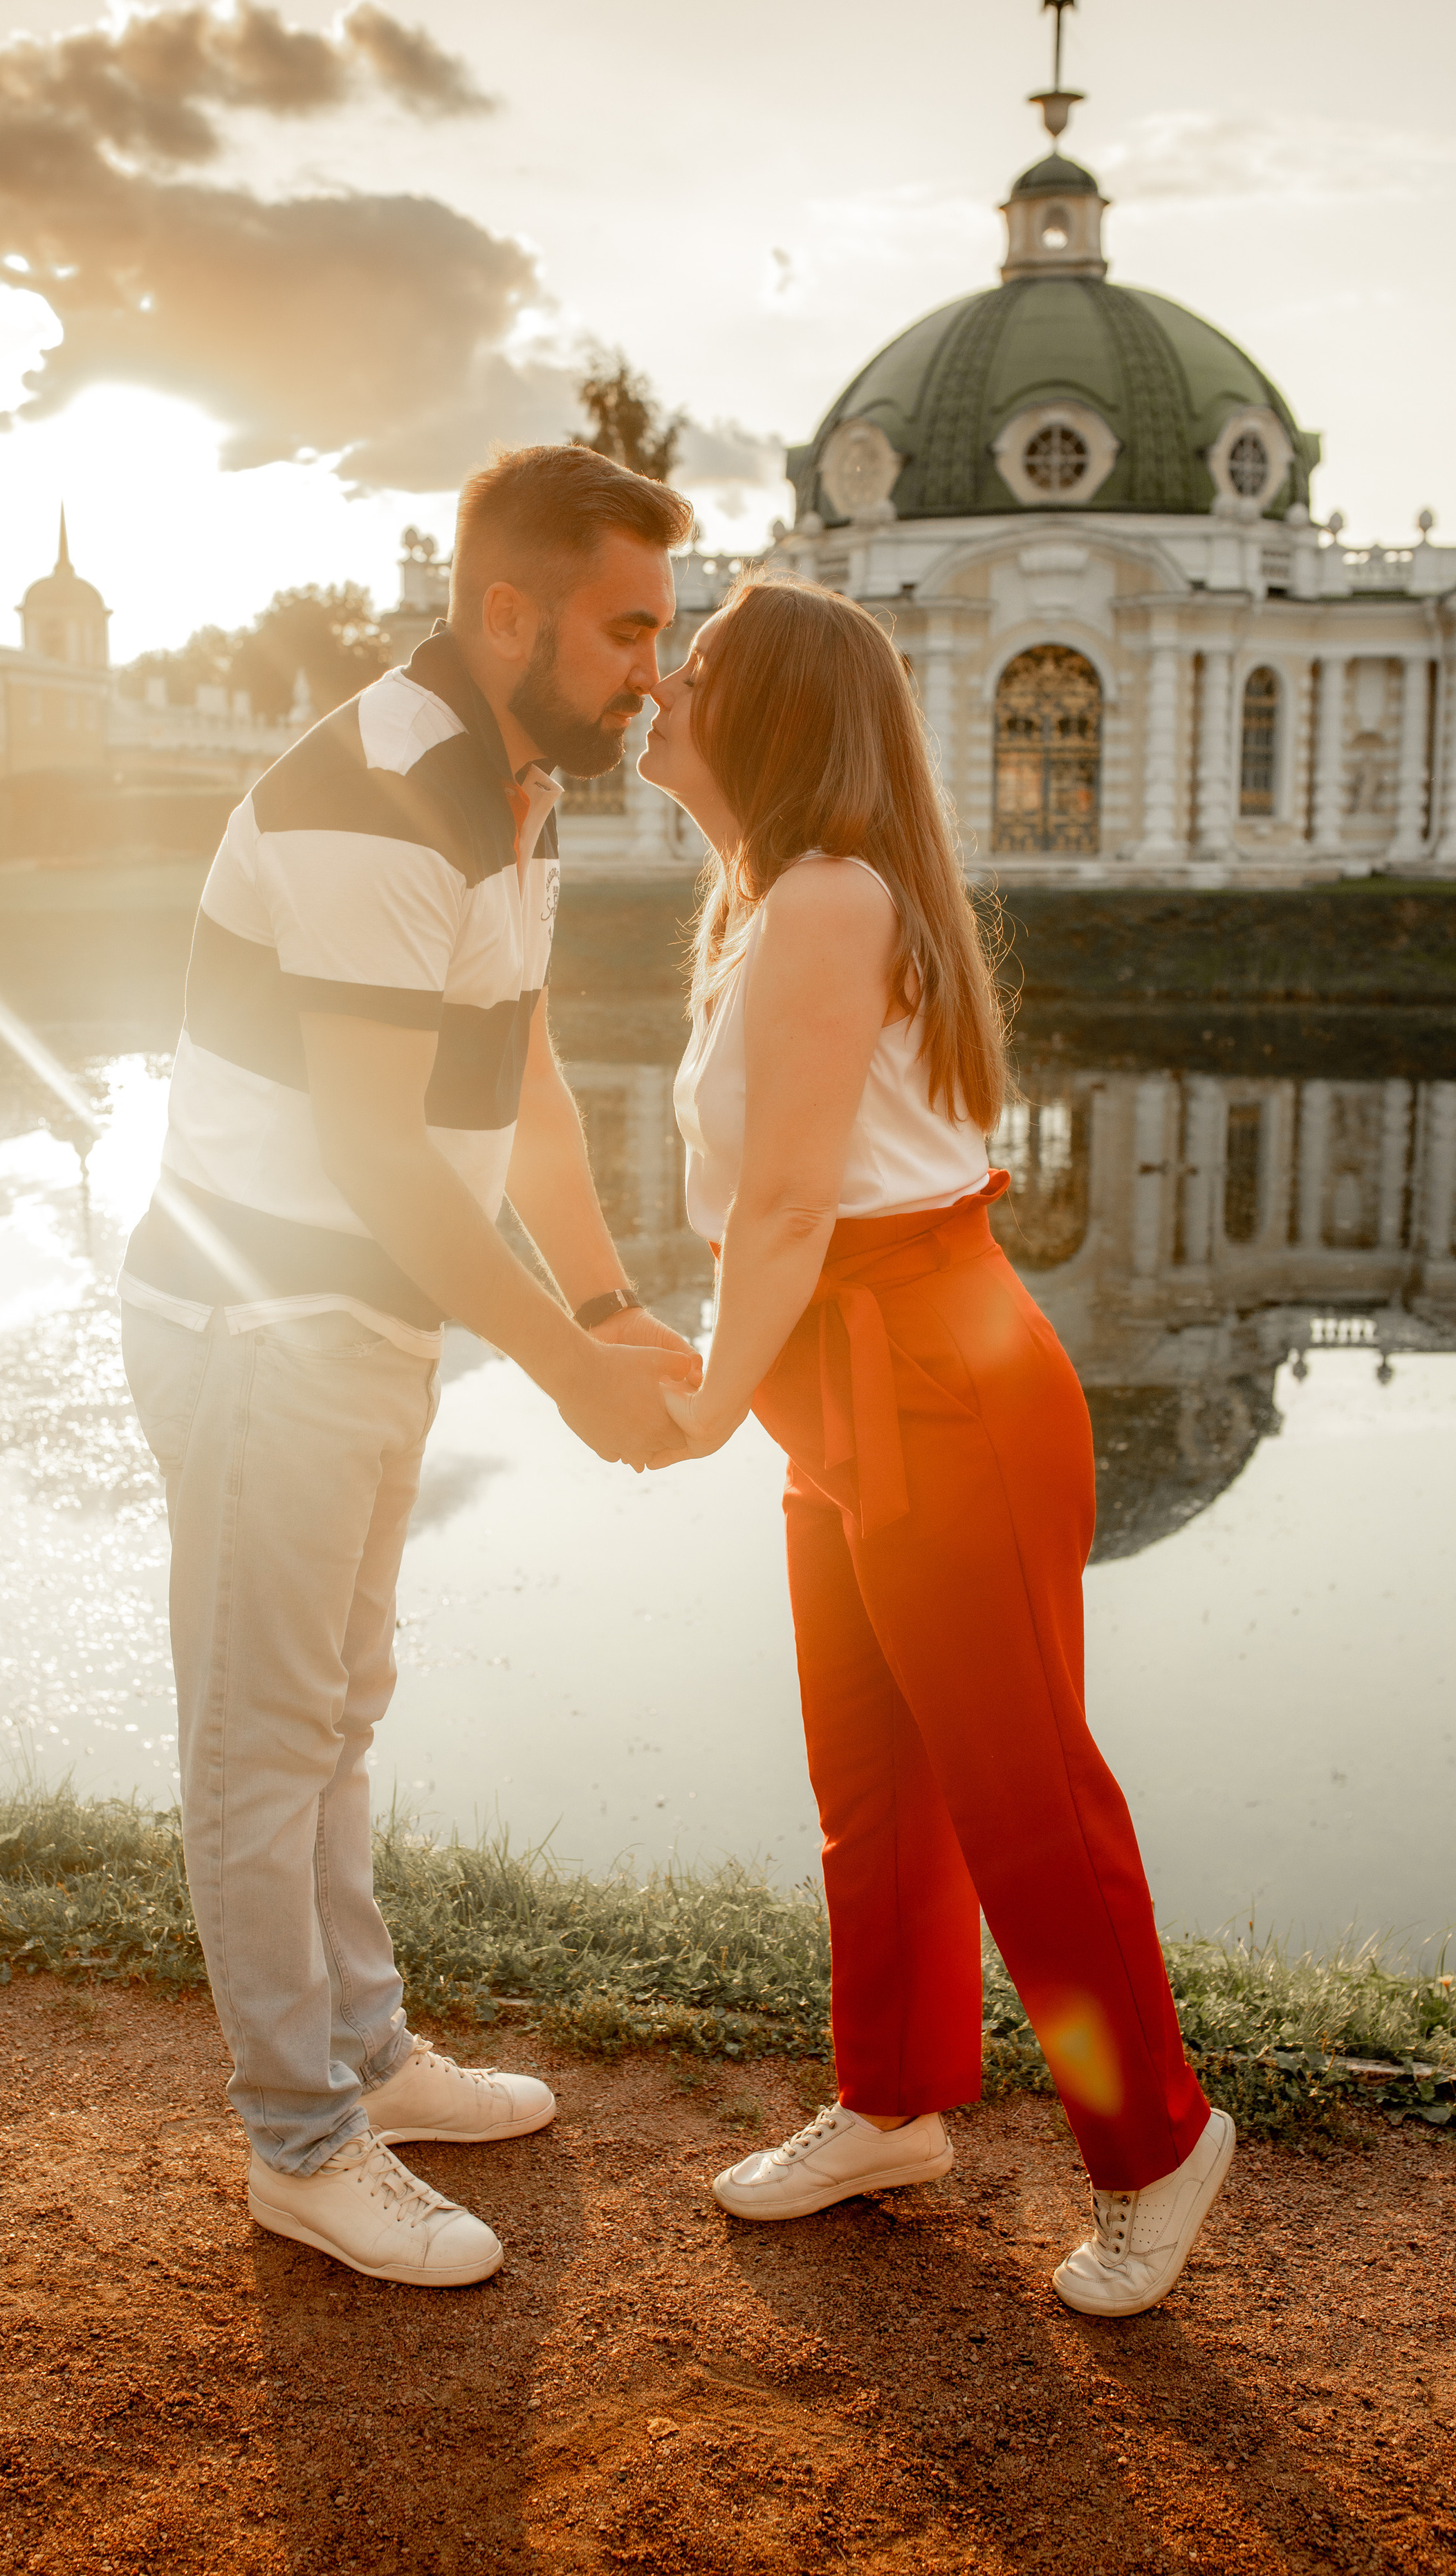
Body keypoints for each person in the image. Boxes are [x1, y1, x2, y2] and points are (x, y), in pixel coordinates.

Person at [119, 446, 698, 2287]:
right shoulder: (382, 790)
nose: (651, 674)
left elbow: (516, 1069)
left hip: (370, 1309)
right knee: (265, 1734)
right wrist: (563, 1367)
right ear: (506, 610)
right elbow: (377, 1150)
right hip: (268, 1316)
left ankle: (370, 2055)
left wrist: (601, 1309)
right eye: (627, 628)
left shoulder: (515, 780)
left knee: (341, 1702)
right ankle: (300, 2137)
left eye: (661, 634)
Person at [642, 574, 1233, 2320]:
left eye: (694, 674)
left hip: (932, 1370)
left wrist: (696, 1399)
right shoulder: (771, 895)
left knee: (1023, 1795)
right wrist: (752, 1383)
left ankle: (1153, 2145)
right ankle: (890, 2104)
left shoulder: (827, 896)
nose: (658, 691)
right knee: (874, 1785)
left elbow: (786, 1197)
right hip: (855, 1375)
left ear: (764, 715)